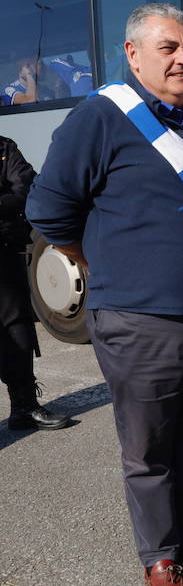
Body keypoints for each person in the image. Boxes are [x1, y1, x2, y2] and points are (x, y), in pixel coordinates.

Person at [26, 4, 183, 585]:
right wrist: (106, 264)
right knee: (148, 448)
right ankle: (158, 553)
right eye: (167, 48)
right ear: (132, 54)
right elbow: (49, 211)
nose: (182, 59)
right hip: (138, 318)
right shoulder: (100, 116)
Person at [0, 136, 70, 431]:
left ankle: (24, 407)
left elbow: (26, 186)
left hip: (3, 249)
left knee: (17, 327)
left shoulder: (5, 148)